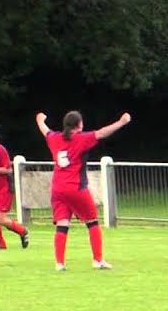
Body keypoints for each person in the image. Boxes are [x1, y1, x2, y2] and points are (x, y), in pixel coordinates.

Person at [36, 110, 130, 271]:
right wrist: (121, 122)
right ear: (79, 125)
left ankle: (59, 263)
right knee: (92, 221)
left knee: (62, 224)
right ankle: (97, 260)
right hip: (75, 187)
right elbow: (101, 133)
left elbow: (46, 131)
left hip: (58, 188)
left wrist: (40, 120)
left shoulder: (55, 138)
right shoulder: (81, 139)